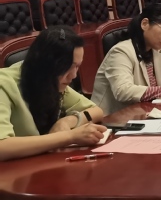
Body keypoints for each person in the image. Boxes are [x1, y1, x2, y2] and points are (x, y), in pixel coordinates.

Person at [0, 27, 107, 162]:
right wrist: (70, 136)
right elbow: (2, 147)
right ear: (46, 64)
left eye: (77, 66)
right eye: (68, 67)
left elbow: (96, 111)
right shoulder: (4, 83)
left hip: (41, 163)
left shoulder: (51, 80)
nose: (73, 75)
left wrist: (67, 121)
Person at [91, 4, 161, 115]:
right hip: (113, 118)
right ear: (145, 24)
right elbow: (123, 91)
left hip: (145, 113)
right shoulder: (121, 52)